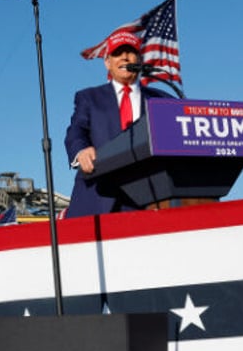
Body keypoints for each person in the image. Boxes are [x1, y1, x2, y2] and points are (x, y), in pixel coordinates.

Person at [64, 31, 169, 217]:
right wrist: (81, 150)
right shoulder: (89, 98)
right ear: (107, 63)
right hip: (98, 196)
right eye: (117, 53)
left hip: (151, 200)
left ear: (139, 58)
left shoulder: (162, 100)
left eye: (130, 52)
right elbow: (76, 130)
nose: (124, 57)